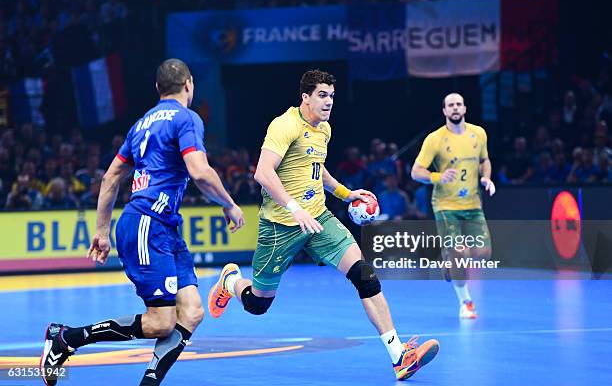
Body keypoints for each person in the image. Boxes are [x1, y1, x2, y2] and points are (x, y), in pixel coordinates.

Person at [207, 69, 439, 381]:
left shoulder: (324, 129)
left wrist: (345, 194)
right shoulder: (284, 125)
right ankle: (231, 281)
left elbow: (318, 168)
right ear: (305, 97)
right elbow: (263, 172)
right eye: (322, 95)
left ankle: (399, 356)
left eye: (331, 96)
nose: (328, 102)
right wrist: (293, 208)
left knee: (365, 276)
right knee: (257, 304)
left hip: (319, 218)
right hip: (280, 226)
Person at [40, 59, 245, 386]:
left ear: (157, 89)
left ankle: (149, 382)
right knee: (160, 322)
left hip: (162, 227)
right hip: (148, 223)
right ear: (189, 84)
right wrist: (230, 204)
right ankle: (67, 338)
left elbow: (110, 179)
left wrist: (102, 232)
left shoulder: (141, 125)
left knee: (191, 311)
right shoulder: (186, 118)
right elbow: (200, 172)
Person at [411, 93, 495, 319]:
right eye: (451, 105)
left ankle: (449, 262)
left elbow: (484, 161)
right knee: (459, 253)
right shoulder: (435, 139)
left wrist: (486, 177)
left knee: (484, 252)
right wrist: (438, 177)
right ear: (445, 111)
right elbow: (416, 171)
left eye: (459, 104)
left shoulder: (479, 134)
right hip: (446, 206)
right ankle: (466, 302)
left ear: (465, 108)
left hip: (473, 204)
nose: (455, 108)